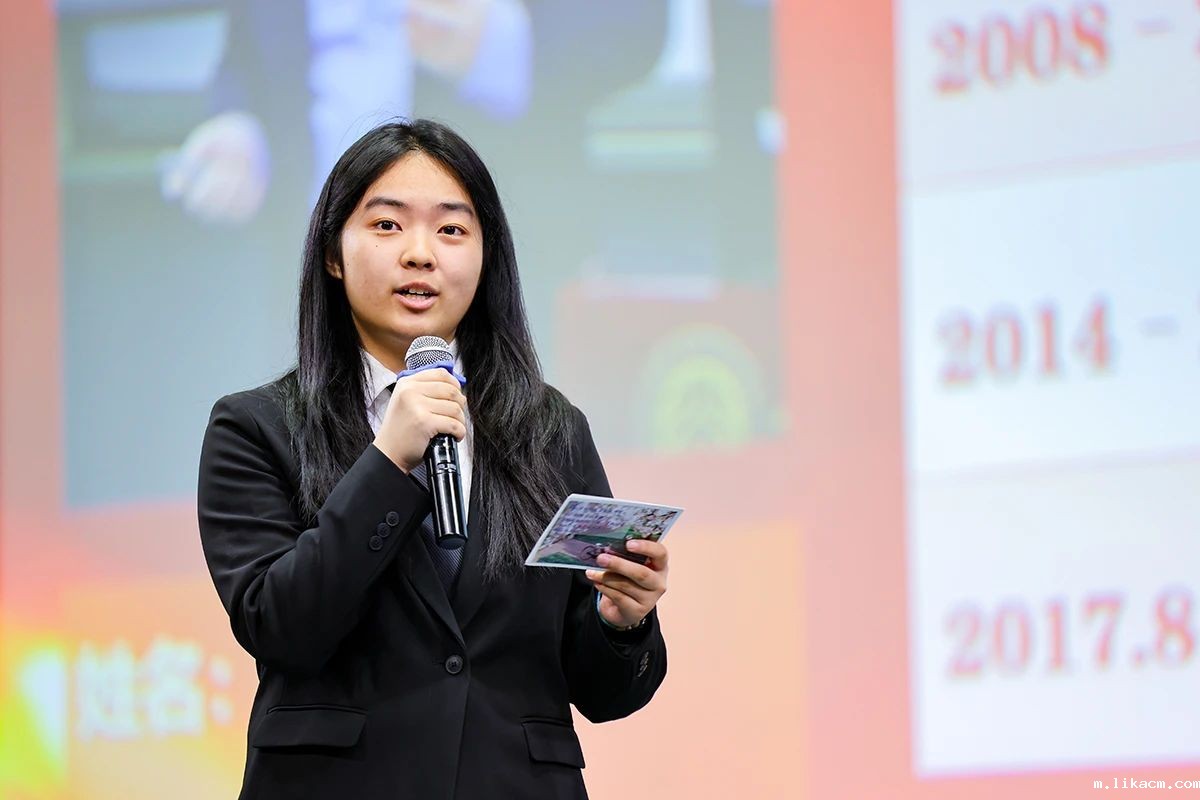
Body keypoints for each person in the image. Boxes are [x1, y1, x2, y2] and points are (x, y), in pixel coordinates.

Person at [196, 119, 669, 799]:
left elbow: (604, 692)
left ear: (485, 257)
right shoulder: (257, 427)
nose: (420, 254)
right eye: (387, 225)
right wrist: (388, 461)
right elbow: (282, 627)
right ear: (333, 254)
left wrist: (621, 622)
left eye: (451, 230)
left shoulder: (551, 430)